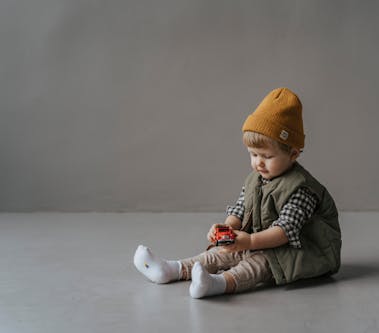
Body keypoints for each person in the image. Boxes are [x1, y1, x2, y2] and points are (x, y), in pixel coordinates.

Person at [133, 87, 342, 298]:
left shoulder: (302, 189)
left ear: (293, 153)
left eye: (266, 156)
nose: (258, 162)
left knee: (258, 264)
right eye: (253, 154)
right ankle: (171, 269)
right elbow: (241, 207)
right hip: (264, 242)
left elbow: (285, 230)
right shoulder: (256, 179)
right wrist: (228, 227)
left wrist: (249, 242)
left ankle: (218, 283)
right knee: (221, 252)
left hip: (301, 252)